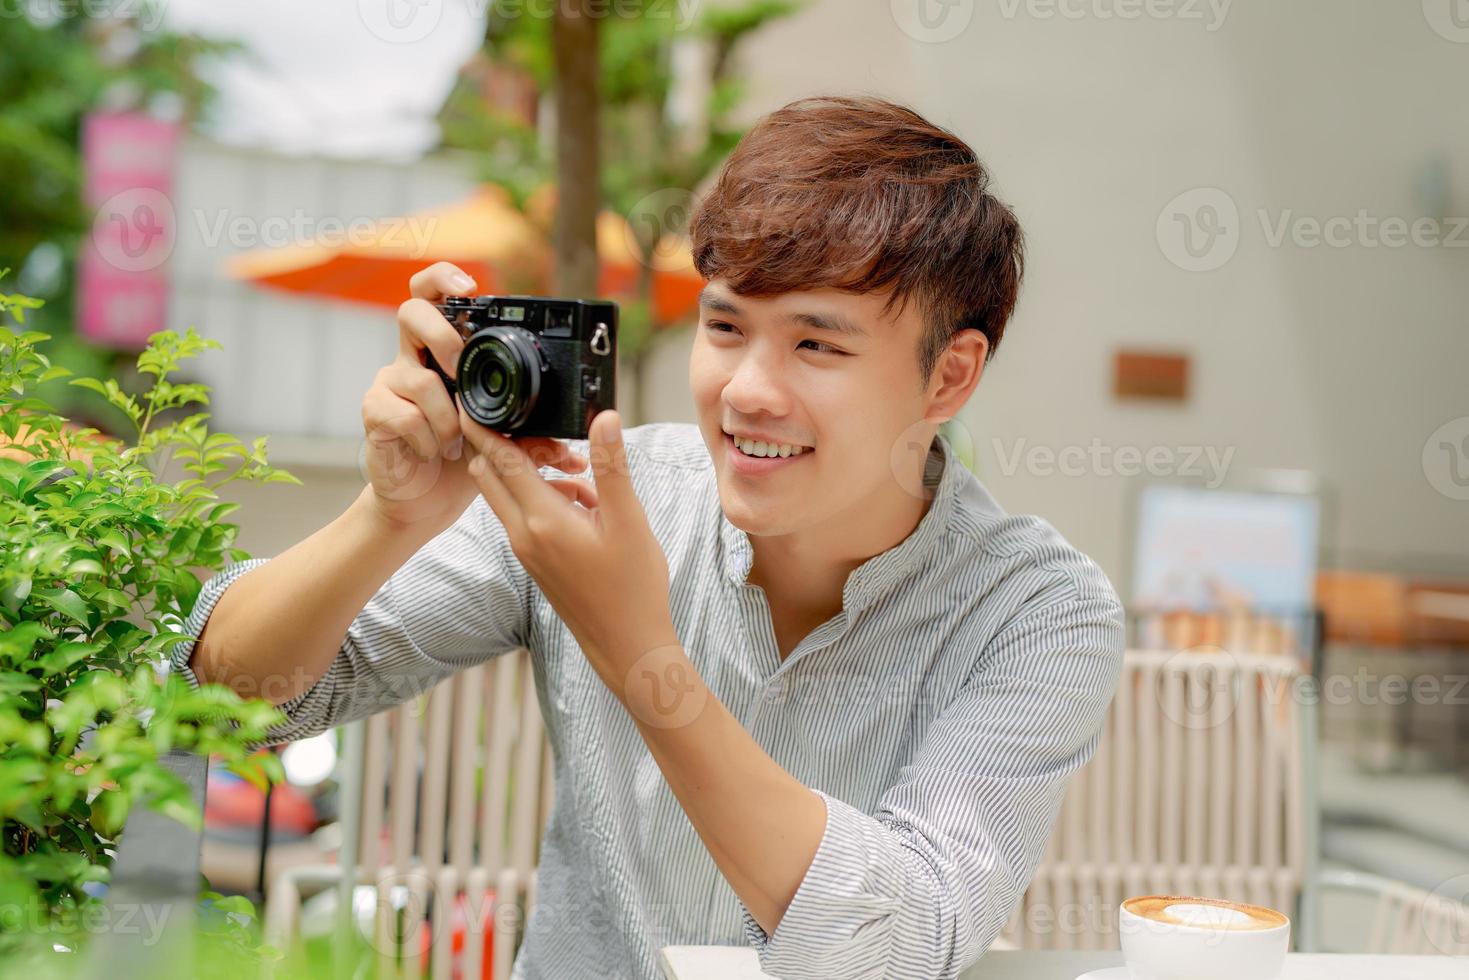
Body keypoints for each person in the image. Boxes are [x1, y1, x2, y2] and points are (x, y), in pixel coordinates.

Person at [171, 94, 1126, 980]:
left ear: (949, 378)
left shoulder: (1037, 610)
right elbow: (225, 704)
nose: (747, 389)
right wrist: (390, 520)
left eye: (816, 344)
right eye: (725, 327)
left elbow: (900, 942)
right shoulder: (595, 492)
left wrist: (637, 652)